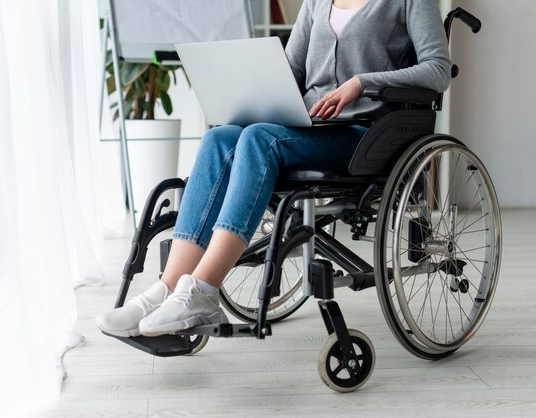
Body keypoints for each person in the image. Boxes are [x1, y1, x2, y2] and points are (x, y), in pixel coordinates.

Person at [96, 0, 451, 338]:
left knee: (258, 140)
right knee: (219, 139)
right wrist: (250, 88)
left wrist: (362, 82)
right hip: (309, 127)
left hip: (365, 134)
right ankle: (167, 289)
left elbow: (438, 69)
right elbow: (291, 70)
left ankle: (203, 290)